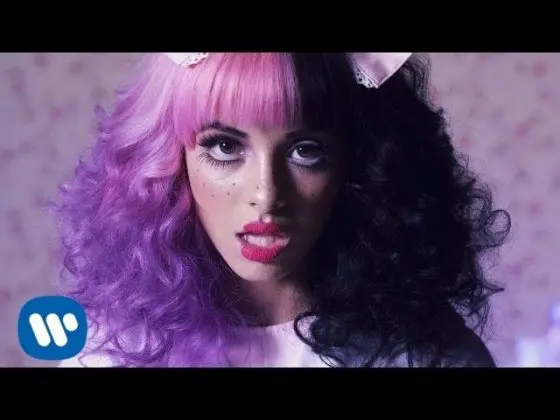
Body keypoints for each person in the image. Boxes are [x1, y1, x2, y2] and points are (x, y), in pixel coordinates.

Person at [53, 52, 510, 368]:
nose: (266, 194)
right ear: (171, 161)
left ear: (361, 168)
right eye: (225, 146)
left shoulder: (430, 355)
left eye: (306, 151)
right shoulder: (108, 351)